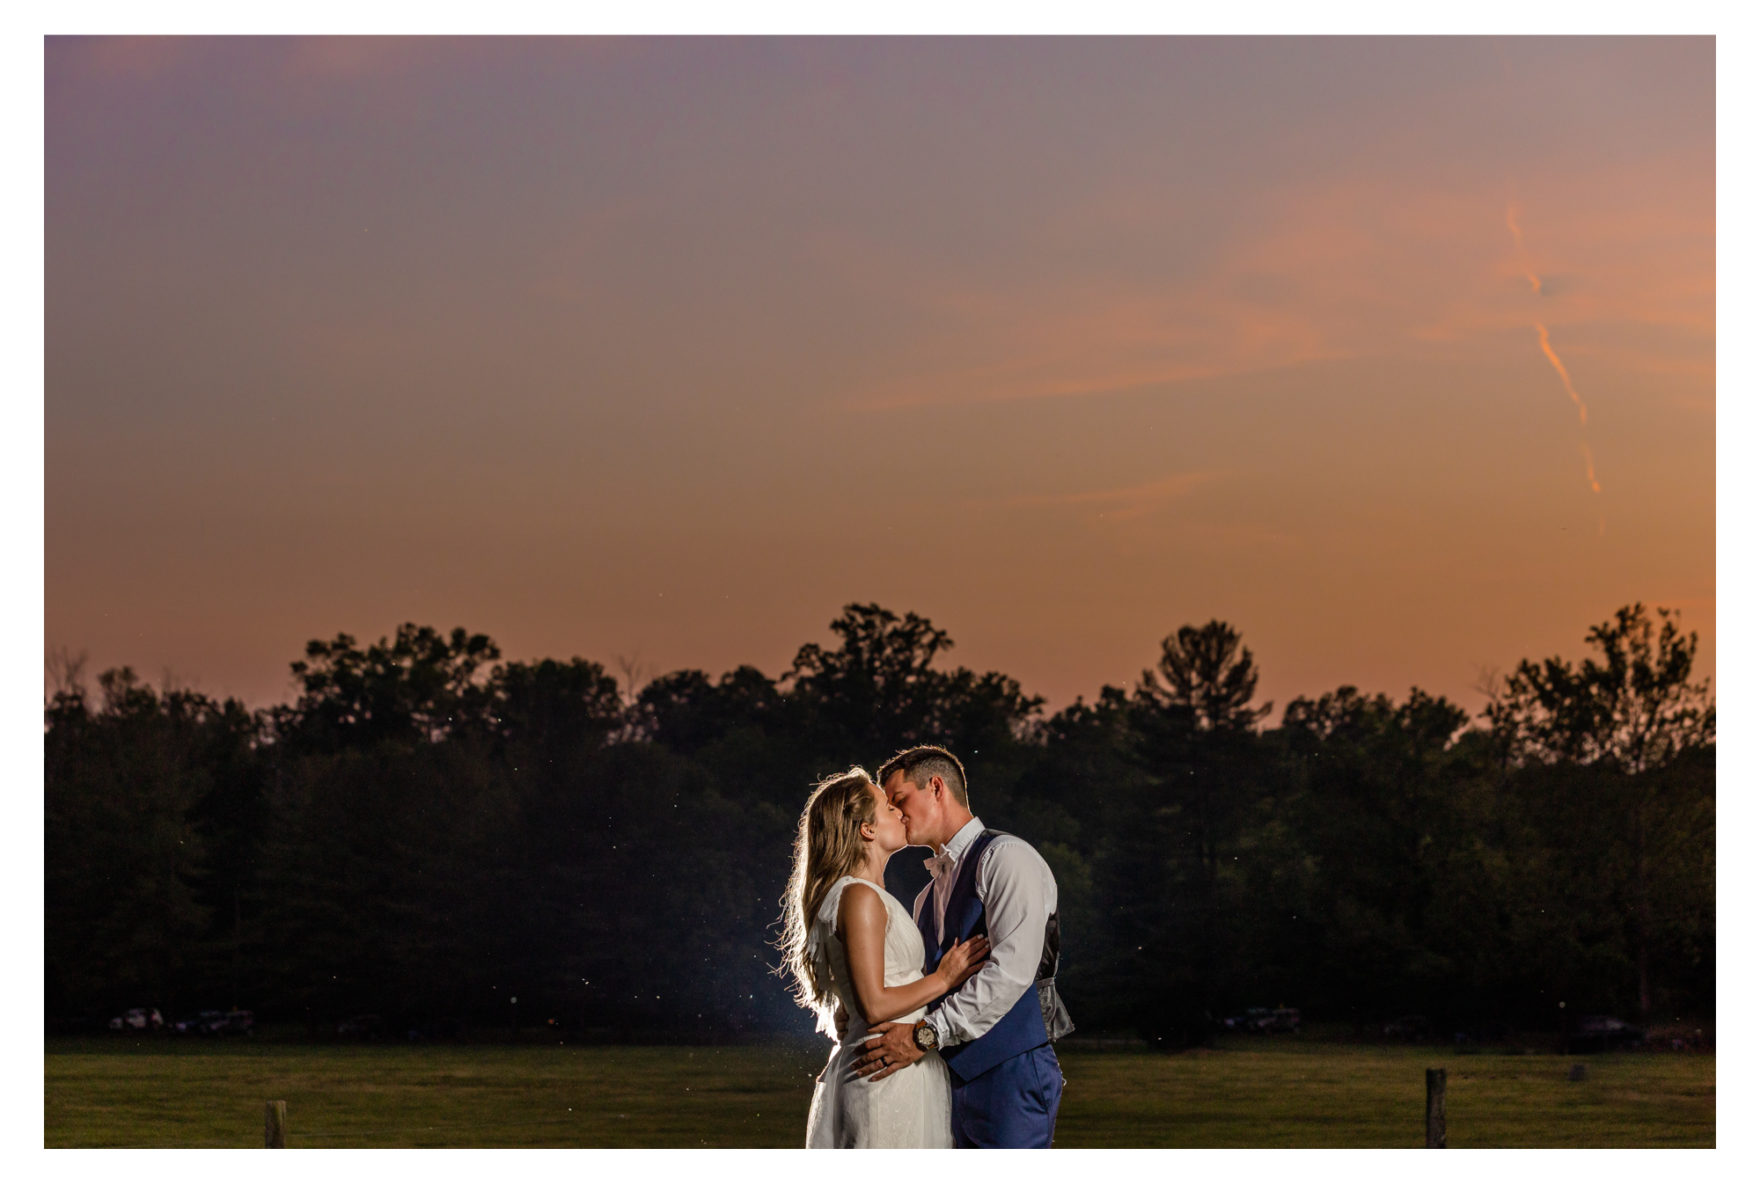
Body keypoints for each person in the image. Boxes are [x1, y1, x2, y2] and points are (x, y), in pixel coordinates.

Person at [853, 745, 1072, 1148]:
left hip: (1010, 1073)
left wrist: (924, 1036)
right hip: (944, 1080)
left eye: (900, 800)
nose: (896, 814)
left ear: (936, 787)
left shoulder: (1007, 858)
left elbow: (1010, 974)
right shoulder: (924, 897)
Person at [777, 766, 991, 1148]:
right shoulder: (859, 896)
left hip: (893, 1064)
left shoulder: (864, 895)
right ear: (867, 830)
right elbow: (875, 1005)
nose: (899, 811)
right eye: (888, 808)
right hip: (883, 1071)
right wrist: (943, 979)